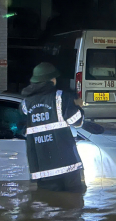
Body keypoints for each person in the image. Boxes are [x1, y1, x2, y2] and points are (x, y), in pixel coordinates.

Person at [20, 62, 86, 192]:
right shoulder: (61, 97)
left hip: (42, 169)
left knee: (48, 205)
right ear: (51, 80)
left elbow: (23, 129)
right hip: (67, 167)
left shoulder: (25, 104)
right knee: (74, 204)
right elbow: (76, 121)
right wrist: (78, 106)